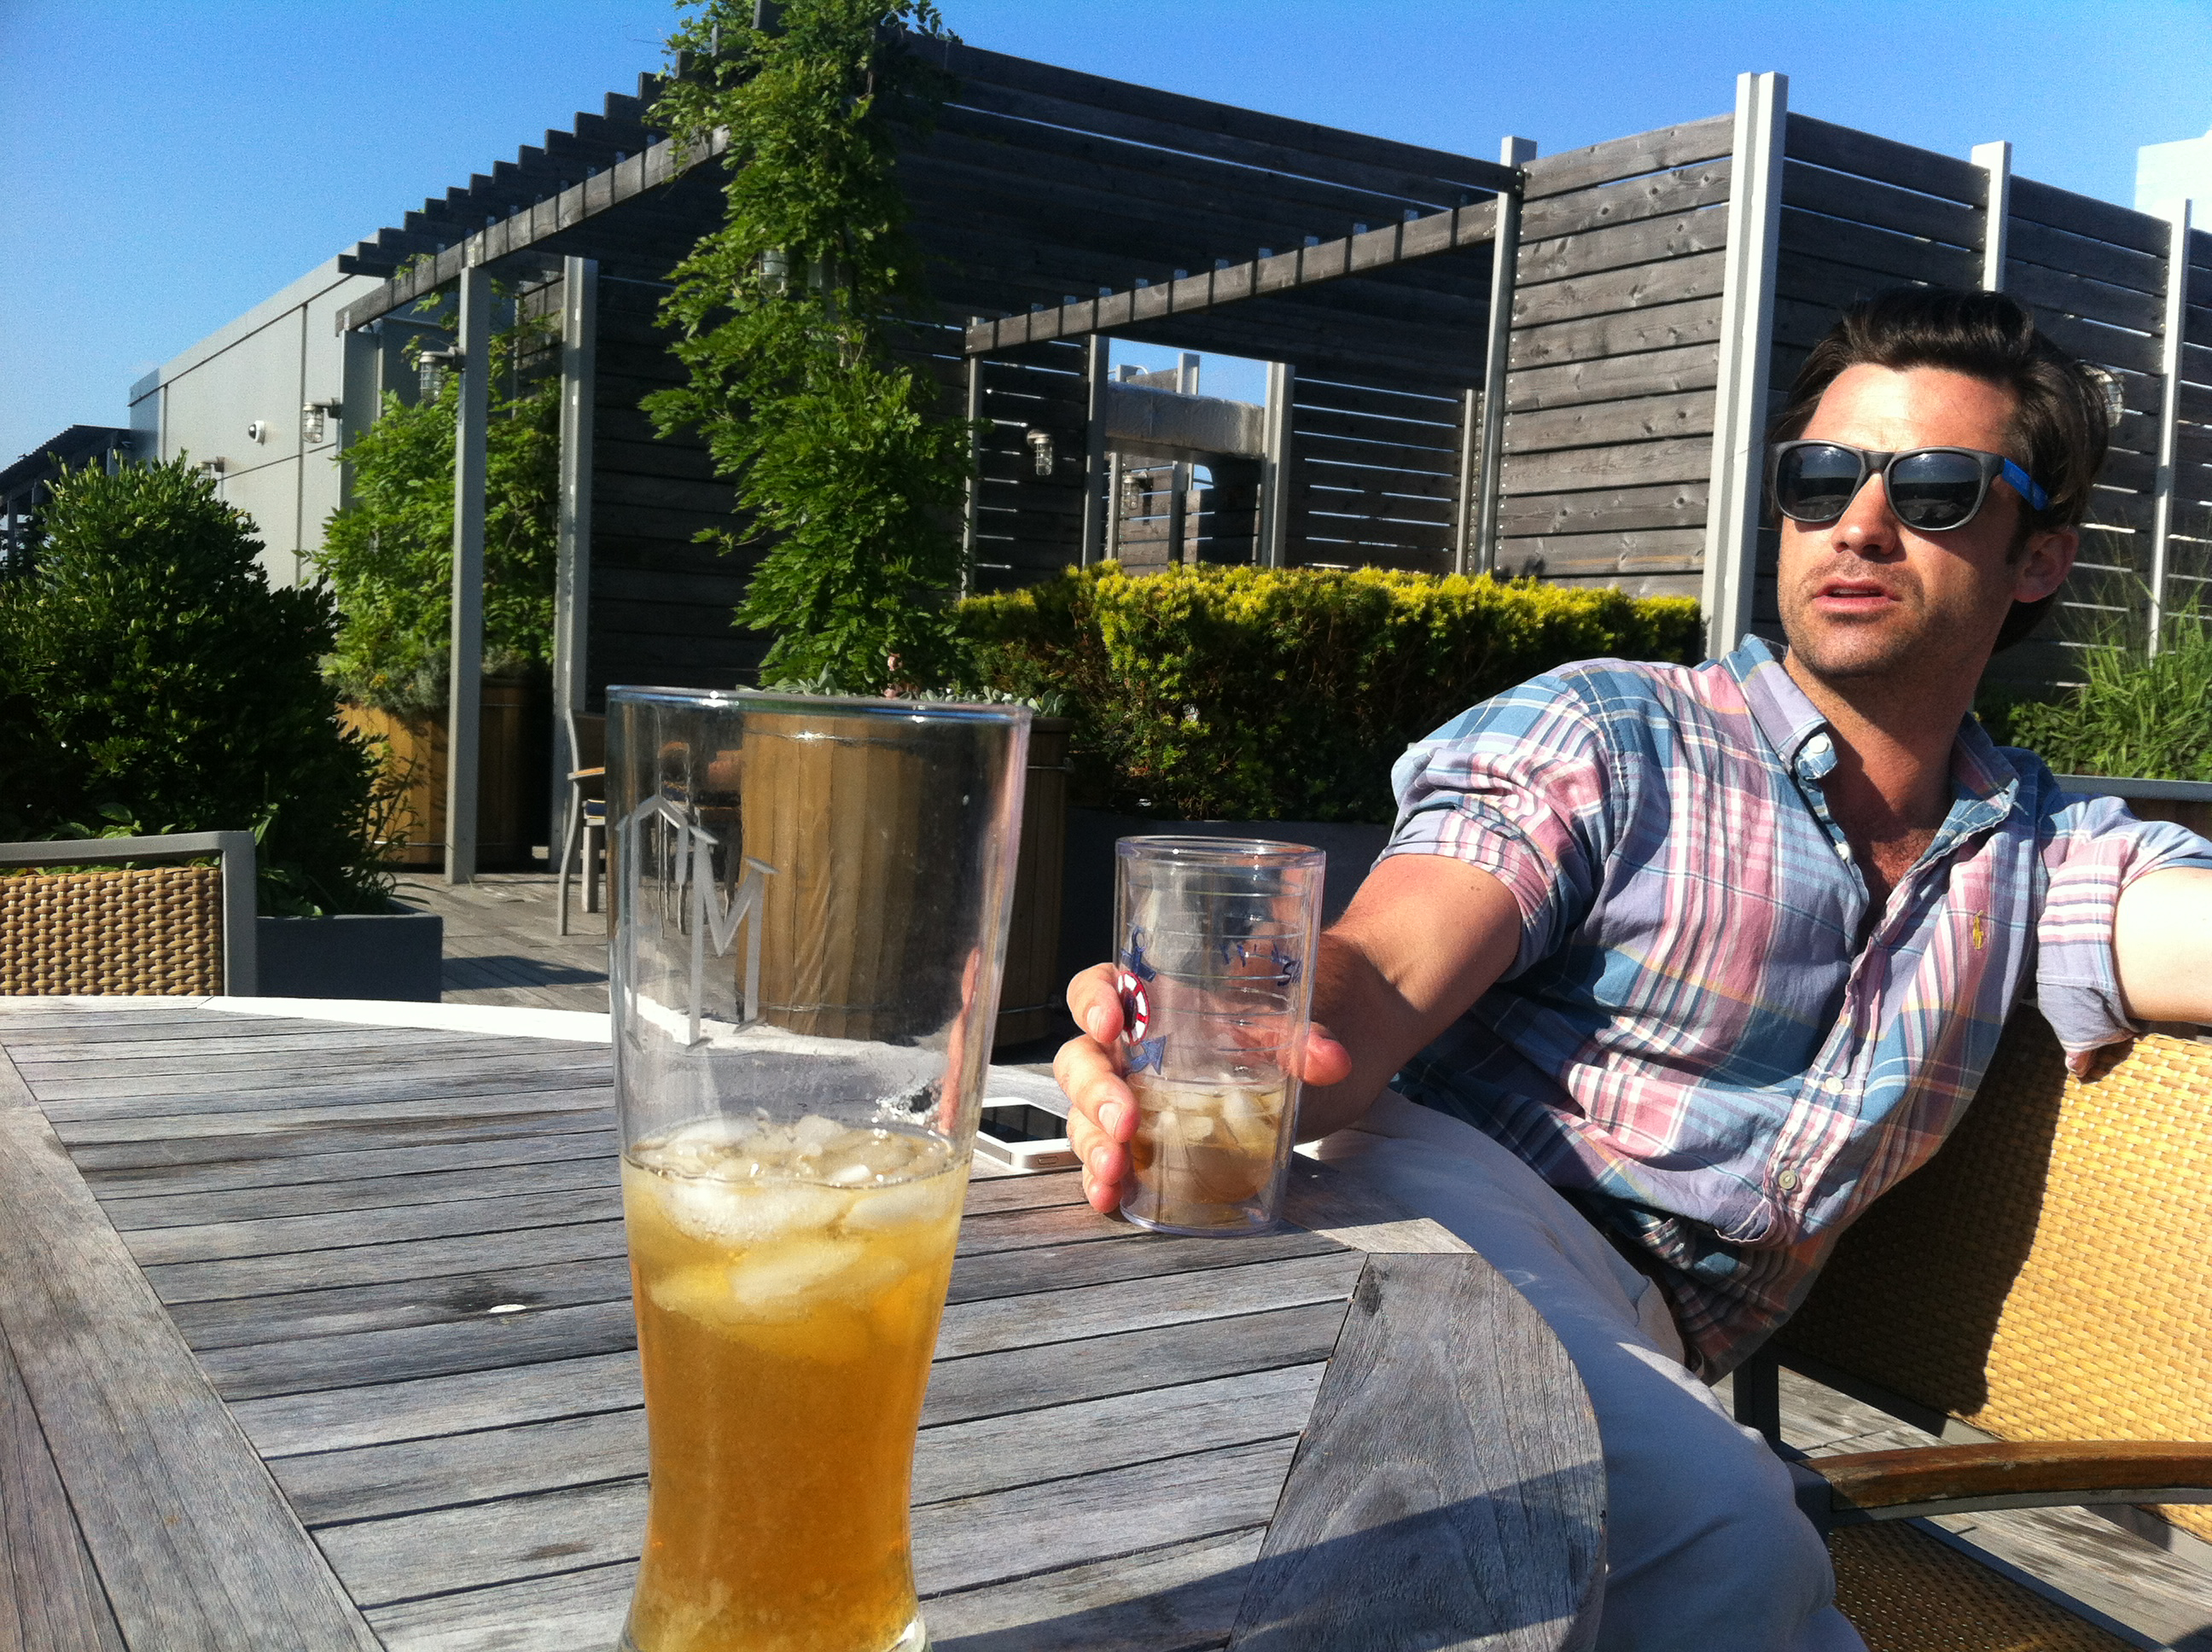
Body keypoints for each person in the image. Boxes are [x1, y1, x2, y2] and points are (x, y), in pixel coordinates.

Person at [1052, 286, 2212, 1651]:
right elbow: (1382, 971)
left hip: (1648, 1348)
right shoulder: (1612, 735)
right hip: (1440, 1204)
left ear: (2040, 558)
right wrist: (1239, 1033)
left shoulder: (2033, 853)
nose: (1858, 524)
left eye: (1937, 490)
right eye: (1821, 479)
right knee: (1725, 1545)